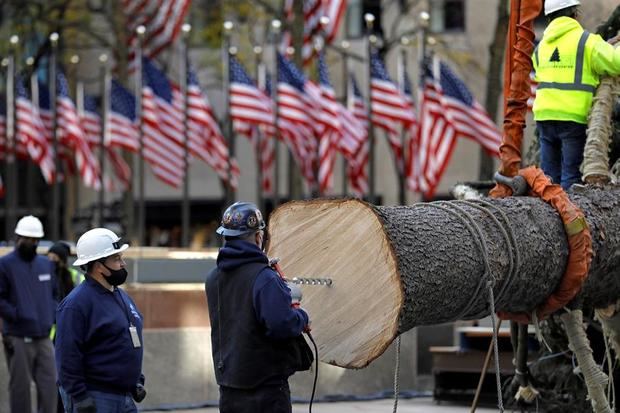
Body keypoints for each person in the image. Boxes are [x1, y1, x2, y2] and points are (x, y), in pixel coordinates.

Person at [205, 202, 312, 413]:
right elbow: (281, 324)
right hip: (266, 392)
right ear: (257, 237)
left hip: (229, 390)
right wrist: (302, 316)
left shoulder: (213, 278)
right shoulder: (264, 278)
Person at [55, 228, 146, 413]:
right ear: (98, 266)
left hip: (125, 396)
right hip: (96, 398)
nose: (123, 263)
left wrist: (137, 379)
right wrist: (80, 397)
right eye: (116, 259)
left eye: (121, 257)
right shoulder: (76, 304)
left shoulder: (122, 296)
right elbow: (67, 355)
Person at [533, 0, 620, 189]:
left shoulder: (541, 47)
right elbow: (616, 62)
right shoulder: (587, 41)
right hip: (572, 118)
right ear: (575, 14)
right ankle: (568, 217)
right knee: (570, 177)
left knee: (548, 180)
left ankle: (547, 216)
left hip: (544, 117)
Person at [0, 215, 58, 413]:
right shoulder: (5, 264)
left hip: (43, 336)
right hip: (17, 335)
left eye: (34, 240)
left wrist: (50, 313)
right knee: (20, 389)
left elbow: (53, 293)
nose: (31, 243)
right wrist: (17, 314)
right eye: (27, 238)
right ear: (18, 237)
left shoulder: (45, 264)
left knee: (50, 386)